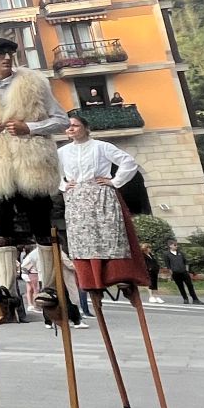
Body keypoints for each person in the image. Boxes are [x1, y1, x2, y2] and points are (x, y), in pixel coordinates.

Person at [0, 36, 68, 315]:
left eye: (9, 53)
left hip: (31, 162)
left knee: (41, 223)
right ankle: (5, 286)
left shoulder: (34, 82)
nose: (6, 58)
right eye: (0, 55)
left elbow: (62, 120)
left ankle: (51, 286)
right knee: (0, 223)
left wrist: (30, 127)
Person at [58, 108, 151, 298]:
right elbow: (52, 172)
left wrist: (114, 181)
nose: (71, 129)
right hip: (77, 199)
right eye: (68, 127)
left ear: (86, 128)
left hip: (101, 195)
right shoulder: (62, 152)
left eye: (75, 125)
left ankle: (118, 275)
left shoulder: (101, 146)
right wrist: (63, 185)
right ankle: (90, 279)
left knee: (109, 234)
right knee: (83, 239)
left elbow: (128, 162)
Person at [163, 240, 202, 304]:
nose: (176, 246)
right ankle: (185, 298)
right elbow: (168, 265)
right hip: (175, 273)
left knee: (190, 285)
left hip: (183, 272)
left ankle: (195, 299)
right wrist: (171, 273)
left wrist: (187, 270)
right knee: (180, 286)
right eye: (174, 245)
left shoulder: (180, 253)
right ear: (170, 246)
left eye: (176, 245)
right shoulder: (167, 254)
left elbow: (185, 262)